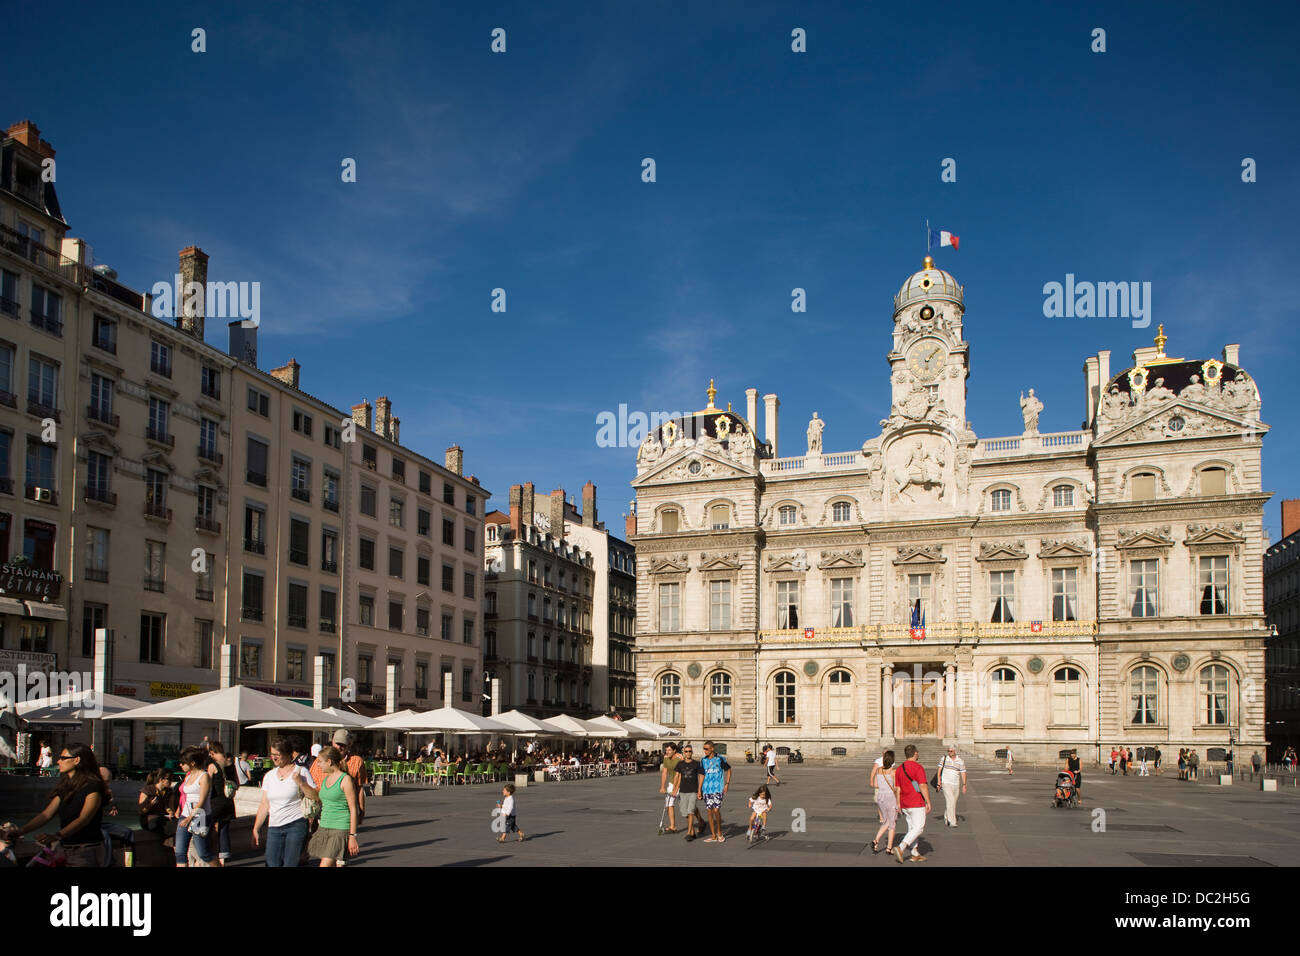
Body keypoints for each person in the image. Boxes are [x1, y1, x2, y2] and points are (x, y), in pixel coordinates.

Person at [16, 743, 109, 866]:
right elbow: (46, 814)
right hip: (65, 848)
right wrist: (21, 831)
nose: (58, 761)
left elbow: (84, 818)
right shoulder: (66, 786)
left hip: (86, 851)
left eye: (63, 758)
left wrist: (57, 836)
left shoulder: (93, 786)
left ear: (77, 760)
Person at [253, 736, 319, 867]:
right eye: (272, 755)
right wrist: (256, 828)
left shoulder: (301, 771)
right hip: (274, 826)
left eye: (278, 755)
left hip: (296, 824)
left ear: (288, 754)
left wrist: (300, 782)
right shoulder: (269, 776)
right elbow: (264, 804)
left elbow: (316, 796)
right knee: (271, 863)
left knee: (290, 863)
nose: (274, 758)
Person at [308, 746, 360, 866]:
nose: (318, 765)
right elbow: (320, 799)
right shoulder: (326, 779)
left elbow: (353, 809)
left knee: (325, 864)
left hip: (340, 828)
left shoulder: (345, 780)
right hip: (325, 826)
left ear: (329, 762)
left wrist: (352, 836)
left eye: (320, 762)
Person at [175, 746, 216, 867]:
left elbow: (201, 801)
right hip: (185, 815)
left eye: (184, 763)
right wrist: (181, 811)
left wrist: (189, 818)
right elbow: (185, 796)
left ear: (192, 763)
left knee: (203, 852)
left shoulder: (204, 776)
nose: (181, 765)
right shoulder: (188, 776)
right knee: (180, 852)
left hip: (200, 817)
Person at [893, 744, 931, 863]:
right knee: (919, 828)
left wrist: (898, 803)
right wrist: (928, 801)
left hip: (904, 803)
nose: (918, 754)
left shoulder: (899, 768)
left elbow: (897, 788)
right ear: (915, 754)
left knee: (912, 828)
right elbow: (923, 785)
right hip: (916, 802)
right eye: (917, 752)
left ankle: (915, 853)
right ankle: (901, 847)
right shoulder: (918, 767)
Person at [206, 742, 238, 866]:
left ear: (212, 752)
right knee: (224, 829)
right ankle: (223, 859)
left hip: (216, 802)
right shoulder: (230, 763)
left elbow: (207, 785)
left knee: (208, 827)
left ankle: (209, 855)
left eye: (210, 753)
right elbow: (237, 783)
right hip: (228, 802)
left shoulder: (212, 766)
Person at [698, 740, 731, 844]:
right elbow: (702, 775)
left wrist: (727, 783)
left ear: (712, 749)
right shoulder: (703, 760)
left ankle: (719, 833)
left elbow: (728, 770)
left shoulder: (720, 759)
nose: (705, 751)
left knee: (716, 810)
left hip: (718, 788)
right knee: (709, 811)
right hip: (707, 789)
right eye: (704, 749)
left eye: (706, 749)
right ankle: (713, 835)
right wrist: (699, 789)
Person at [670, 745, 705, 841]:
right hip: (683, 791)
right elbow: (677, 776)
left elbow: (701, 776)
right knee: (684, 812)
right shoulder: (680, 764)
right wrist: (674, 789)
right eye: (686, 751)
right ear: (683, 753)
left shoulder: (697, 764)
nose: (688, 753)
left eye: (690, 751)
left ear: (692, 752)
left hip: (693, 791)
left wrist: (699, 790)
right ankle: (697, 826)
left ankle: (689, 832)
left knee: (690, 811)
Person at [871, 750, 899, 855]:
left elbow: (875, 785)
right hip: (890, 798)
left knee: (886, 821)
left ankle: (876, 841)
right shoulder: (893, 772)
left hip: (880, 797)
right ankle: (889, 848)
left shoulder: (878, 770)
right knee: (892, 824)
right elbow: (896, 788)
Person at [937, 745, 967, 827]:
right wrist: (939, 782)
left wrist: (964, 785)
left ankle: (946, 816)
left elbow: (963, 772)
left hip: (956, 784)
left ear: (955, 751)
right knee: (951, 801)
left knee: (952, 802)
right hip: (946, 783)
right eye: (948, 751)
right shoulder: (944, 758)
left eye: (951, 751)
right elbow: (939, 770)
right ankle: (952, 821)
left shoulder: (960, 761)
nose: (949, 753)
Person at [658, 743, 681, 833]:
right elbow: (664, 772)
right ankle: (673, 826)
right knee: (668, 804)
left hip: (681, 783)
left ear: (674, 750)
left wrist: (676, 789)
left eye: (669, 750)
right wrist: (662, 786)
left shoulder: (679, 759)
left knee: (688, 808)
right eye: (666, 750)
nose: (667, 752)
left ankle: (700, 821)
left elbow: (680, 775)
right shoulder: (666, 759)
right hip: (671, 783)